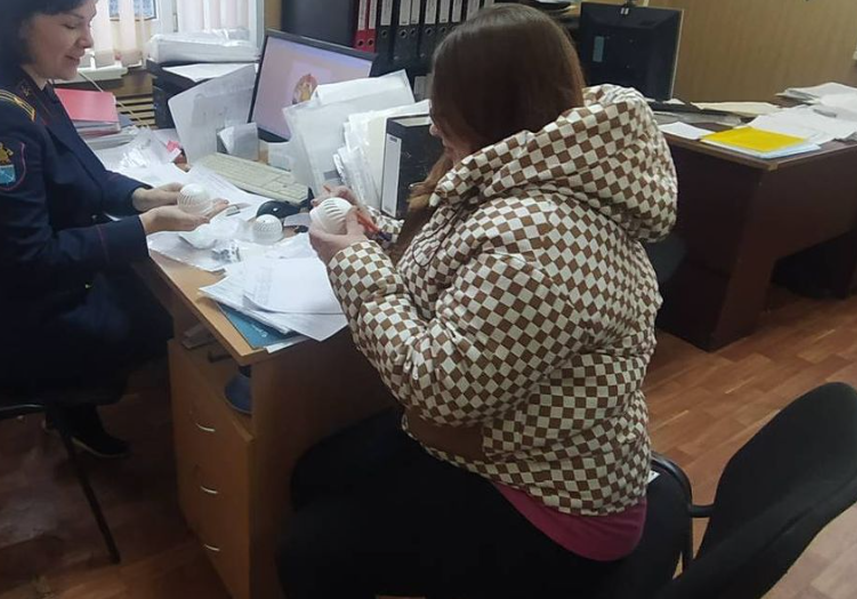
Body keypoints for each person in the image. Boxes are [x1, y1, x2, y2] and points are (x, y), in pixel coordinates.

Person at [278, 4, 678, 598]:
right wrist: (378, 238)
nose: (433, 127)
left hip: (554, 504)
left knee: (306, 551)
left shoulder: (538, 234)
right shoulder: (532, 167)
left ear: (491, 110)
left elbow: (439, 391)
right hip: (503, 439)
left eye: (444, 111)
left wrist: (350, 261)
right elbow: (463, 260)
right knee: (315, 474)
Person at [0, 0, 225, 458]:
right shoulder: (8, 120)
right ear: (17, 25)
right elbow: (32, 257)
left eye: (89, 24)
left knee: (155, 291)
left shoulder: (33, 84)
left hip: (48, 284)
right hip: (30, 313)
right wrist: (148, 226)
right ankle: (71, 403)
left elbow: (84, 173)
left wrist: (144, 196)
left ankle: (72, 408)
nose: (87, 40)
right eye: (71, 25)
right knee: (169, 319)